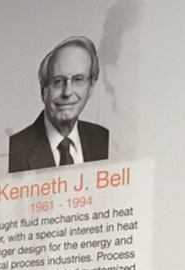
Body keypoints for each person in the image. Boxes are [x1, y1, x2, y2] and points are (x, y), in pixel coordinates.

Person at [8, 36, 109, 173]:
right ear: (44, 90)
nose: (67, 92)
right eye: (58, 81)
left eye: (78, 80)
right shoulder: (14, 151)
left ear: (90, 88)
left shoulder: (103, 139)